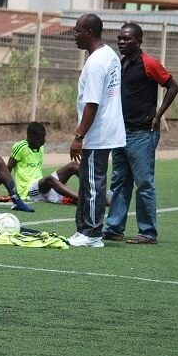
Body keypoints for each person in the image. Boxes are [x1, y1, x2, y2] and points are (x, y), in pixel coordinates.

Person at [104, 23, 178, 245]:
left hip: (142, 133)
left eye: (127, 39)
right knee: (119, 181)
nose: (121, 42)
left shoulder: (149, 63)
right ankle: (115, 228)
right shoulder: (122, 62)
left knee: (144, 183)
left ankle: (148, 232)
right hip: (121, 132)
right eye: (119, 38)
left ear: (138, 41)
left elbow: (173, 86)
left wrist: (158, 115)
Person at [68, 14, 125, 247]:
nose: (74, 36)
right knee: (88, 180)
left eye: (77, 31)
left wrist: (79, 136)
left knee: (93, 182)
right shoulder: (110, 54)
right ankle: (83, 229)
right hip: (106, 128)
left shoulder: (95, 63)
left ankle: (92, 233)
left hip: (97, 131)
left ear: (89, 32)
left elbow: (92, 104)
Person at [7, 122, 78, 205]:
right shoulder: (20, 147)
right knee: (49, 179)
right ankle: (82, 198)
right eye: (40, 139)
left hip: (42, 186)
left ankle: (94, 190)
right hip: (28, 191)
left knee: (73, 166)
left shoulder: (40, 148)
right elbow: (7, 169)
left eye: (44, 137)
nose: (44, 141)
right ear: (30, 136)